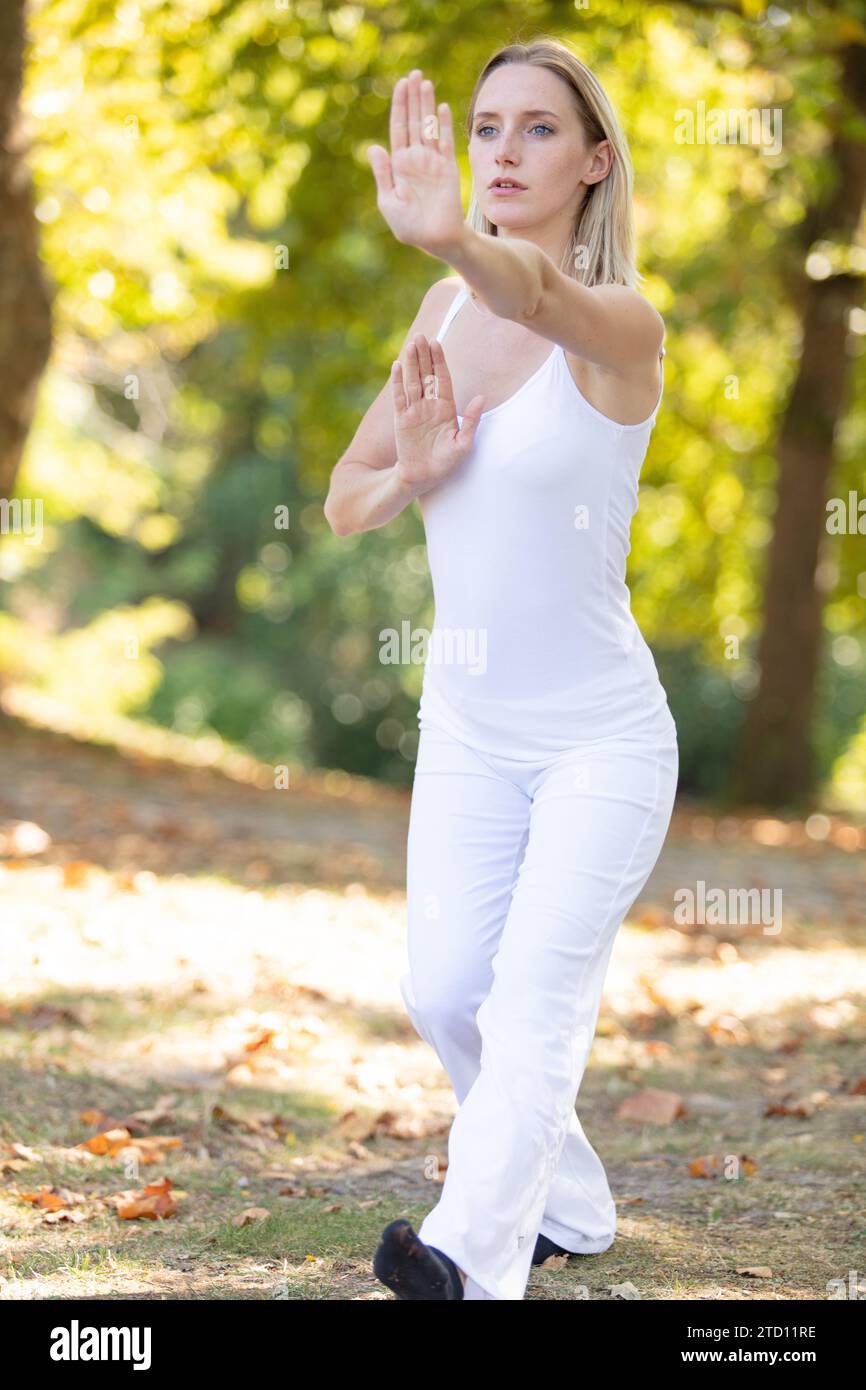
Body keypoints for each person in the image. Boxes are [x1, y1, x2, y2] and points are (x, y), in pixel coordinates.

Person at [324, 37, 678, 1301]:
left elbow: (530, 292)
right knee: (446, 991)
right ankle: (570, 1201)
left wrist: (451, 243)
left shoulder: (618, 328)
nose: (503, 152)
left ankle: (466, 1264)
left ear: (594, 163)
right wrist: (411, 474)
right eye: (485, 129)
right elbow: (343, 497)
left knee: (530, 999)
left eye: (537, 130)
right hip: (469, 729)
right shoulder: (437, 314)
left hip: (600, 741)